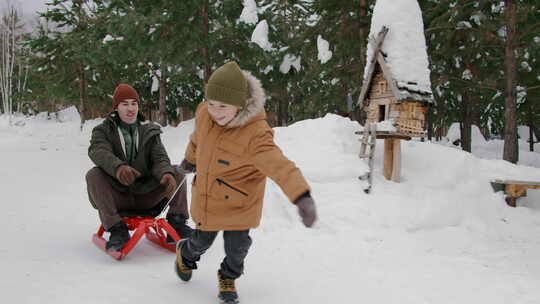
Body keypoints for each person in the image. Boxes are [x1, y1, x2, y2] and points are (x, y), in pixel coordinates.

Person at [174, 62, 317, 304]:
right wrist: (189, 160)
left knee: (237, 249)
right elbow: (197, 139)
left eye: (223, 106)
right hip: (208, 198)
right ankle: (185, 253)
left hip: (241, 203)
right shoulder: (204, 114)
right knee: (200, 241)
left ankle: (228, 277)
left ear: (240, 105)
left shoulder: (255, 134)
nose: (215, 112)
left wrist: (301, 196)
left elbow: (280, 165)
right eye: (211, 104)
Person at [86, 83, 193, 252]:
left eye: (134, 103)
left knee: (177, 172)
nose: (130, 108)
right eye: (125, 104)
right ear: (116, 107)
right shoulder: (103, 130)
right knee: (94, 175)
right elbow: (98, 151)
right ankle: (117, 230)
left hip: (146, 195)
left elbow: (159, 158)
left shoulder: (149, 130)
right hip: (118, 195)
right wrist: (118, 168)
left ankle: (177, 223)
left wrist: (165, 174)